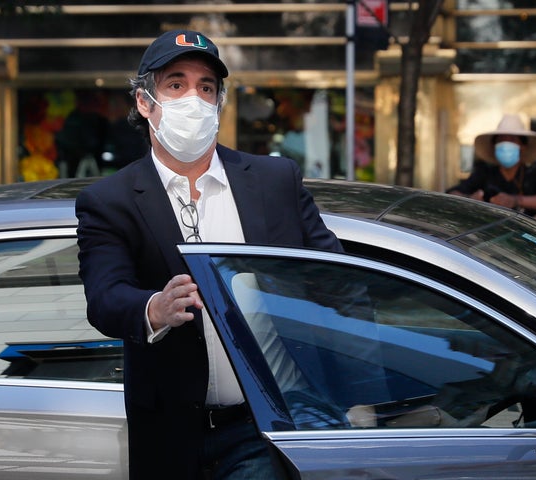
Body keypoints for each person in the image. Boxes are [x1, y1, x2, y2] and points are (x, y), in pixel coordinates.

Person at [75, 29, 342, 480]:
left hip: (261, 429)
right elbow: (104, 296)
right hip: (169, 432)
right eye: (175, 85)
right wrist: (153, 309)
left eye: (206, 88)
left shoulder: (275, 180)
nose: (193, 100)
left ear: (219, 103)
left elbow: (334, 279)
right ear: (145, 102)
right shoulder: (110, 199)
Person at [447, 114, 536, 231]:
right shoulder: (485, 172)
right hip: (491, 230)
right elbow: (453, 193)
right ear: (494, 146)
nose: (506, 144)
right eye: (501, 140)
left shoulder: (535, 172)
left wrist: (516, 200)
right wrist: (469, 199)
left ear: (523, 146)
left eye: (512, 140)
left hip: (528, 232)